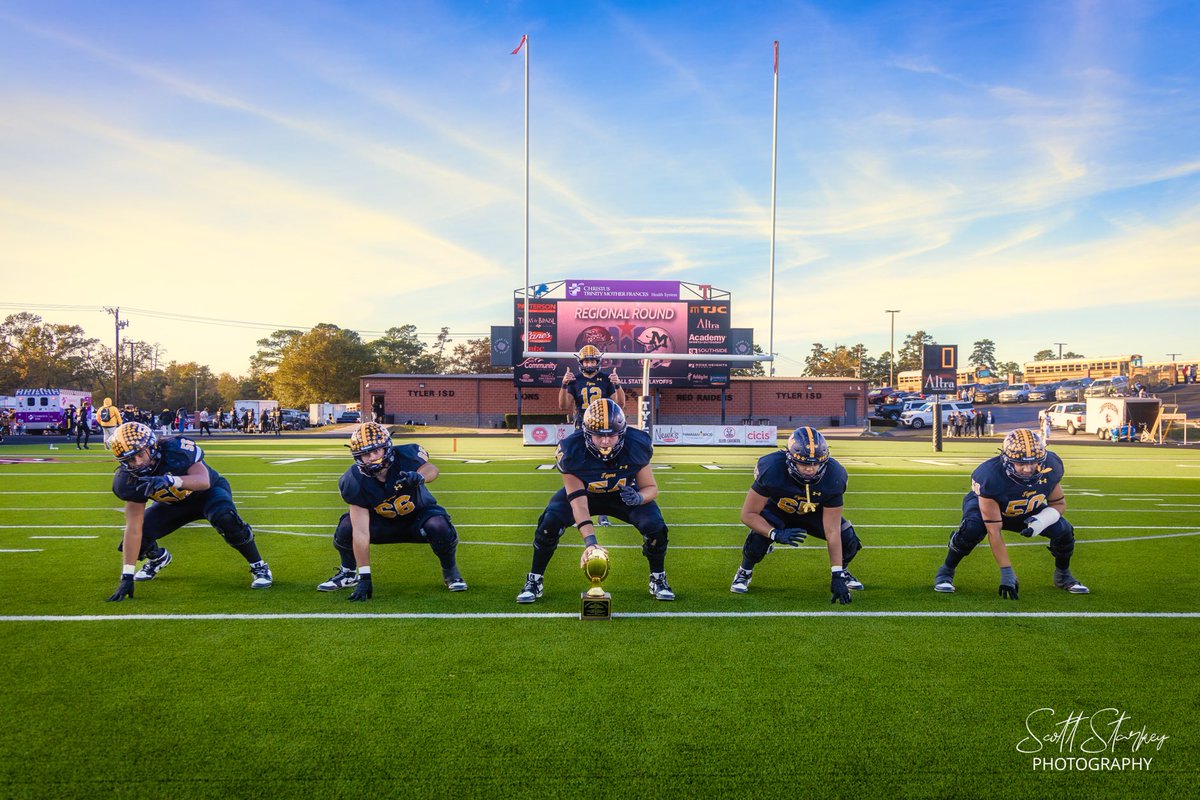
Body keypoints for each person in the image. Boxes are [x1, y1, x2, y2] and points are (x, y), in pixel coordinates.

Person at [516, 397, 675, 603]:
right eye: (599, 435)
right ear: (586, 433)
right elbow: (578, 503)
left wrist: (638, 497)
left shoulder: (636, 445)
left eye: (612, 435)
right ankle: (534, 579)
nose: (605, 441)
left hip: (622, 495)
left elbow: (651, 488)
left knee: (656, 527)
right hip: (585, 495)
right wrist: (591, 543)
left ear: (622, 432)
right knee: (549, 523)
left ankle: (658, 578)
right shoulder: (571, 450)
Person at [104, 421, 273, 601]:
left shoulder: (175, 450)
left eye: (139, 454)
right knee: (136, 541)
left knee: (226, 518)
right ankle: (157, 558)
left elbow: (203, 480)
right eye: (130, 460)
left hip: (207, 494)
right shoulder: (128, 480)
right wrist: (127, 576)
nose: (137, 463)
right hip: (173, 505)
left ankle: (259, 565)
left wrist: (171, 480)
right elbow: (134, 527)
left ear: (151, 445)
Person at [317, 422, 467, 600]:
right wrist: (365, 576)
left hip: (417, 520)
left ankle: (450, 571)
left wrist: (419, 477)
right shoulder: (354, 480)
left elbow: (431, 469)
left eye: (376, 451)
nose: (371, 457)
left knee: (439, 523)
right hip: (382, 525)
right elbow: (361, 532)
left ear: (387, 447)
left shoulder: (405, 455)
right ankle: (349, 573)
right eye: (365, 453)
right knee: (347, 526)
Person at [932, 429, 1088, 598]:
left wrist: (1041, 521)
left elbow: (1058, 503)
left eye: (1033, 463)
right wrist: (1006, 572)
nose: (1028, 469)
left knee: (1064, 530)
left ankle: (1063, 576)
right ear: (1007, 460)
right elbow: (994, 530)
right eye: (1021, 464)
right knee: (971, 529)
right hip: (989, 507)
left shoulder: (1051, 466)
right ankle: (946, 571)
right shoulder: (990, 475)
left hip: (1026, 508)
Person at [729, 427, 864, 603]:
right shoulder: (772, 468)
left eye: (815, 463)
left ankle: (843, 572)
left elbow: (832, 530)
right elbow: (748, 514)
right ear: (790, 460)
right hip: (779, 510)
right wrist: (774, 533)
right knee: (758, 539)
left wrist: (836, 572)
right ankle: (744, 571)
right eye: (805, 464)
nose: (811, 469)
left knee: (848, 538)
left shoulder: (834, 476)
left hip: (814, 513)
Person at [559, 345, 626, 527]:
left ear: (598, 361)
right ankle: (578, 513)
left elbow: (620, 404)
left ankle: (602, 514)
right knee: (578, 472)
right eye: (587, 360)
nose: (590, 363)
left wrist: (617, 384)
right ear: (581, 362)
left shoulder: (606, 379)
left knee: (603, 471)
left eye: (593, 360)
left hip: (603, 431)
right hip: (582, 427)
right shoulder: (575, 380)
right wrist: (564, 384)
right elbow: (563, 406)